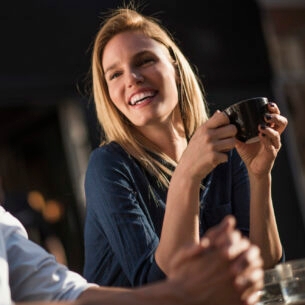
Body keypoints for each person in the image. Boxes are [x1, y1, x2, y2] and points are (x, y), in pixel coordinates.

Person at [83, 4, 288, 287]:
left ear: (176, 69)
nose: (132, 78)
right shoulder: (108, 166)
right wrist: (188, 174)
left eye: (144, 61)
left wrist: (259, 176)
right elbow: (157, 285)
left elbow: (264, 266)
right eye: (115, 74)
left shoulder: (225, 148)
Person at [0, 205, 263, 305]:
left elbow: (63, 295)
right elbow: (150, 276)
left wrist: (185, 291)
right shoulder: (106, 164)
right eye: (115, 77)